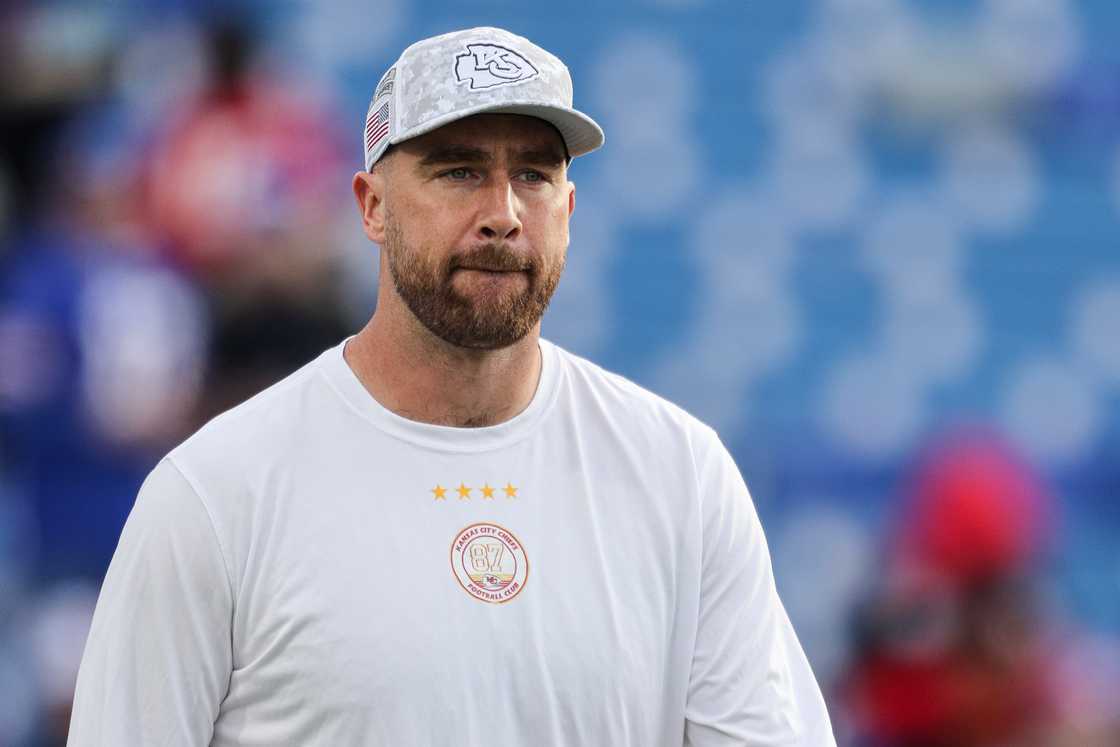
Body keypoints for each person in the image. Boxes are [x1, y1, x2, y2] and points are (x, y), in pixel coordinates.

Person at [68, 27, 835, 746]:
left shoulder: (682, 479)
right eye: (459, 169)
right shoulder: (215, 496)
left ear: (568, 212)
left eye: (533, 174)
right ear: (371, 206)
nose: (502, 213)